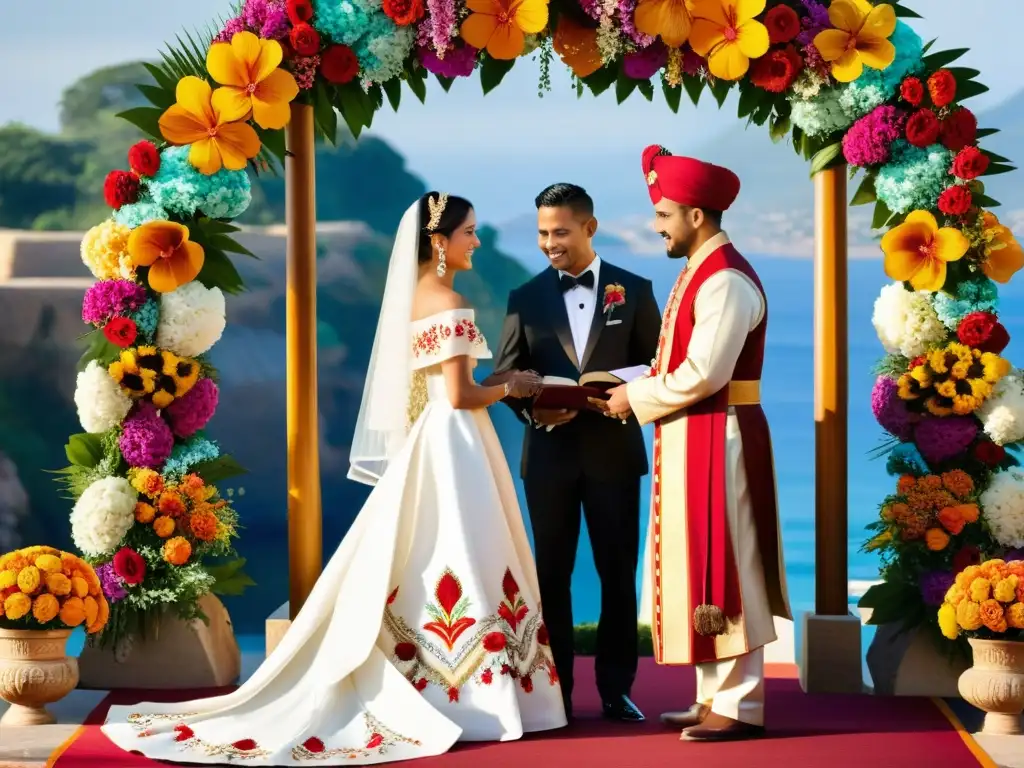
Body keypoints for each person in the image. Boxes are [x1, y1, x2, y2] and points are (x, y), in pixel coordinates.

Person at [101, 193, 567, 765]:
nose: (475, 241)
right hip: (456, 440)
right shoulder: (450, 298)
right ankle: (477, 696)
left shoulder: (417, 299)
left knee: (431, 552)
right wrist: (515, 387)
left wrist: (499, 377)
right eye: (468, 232)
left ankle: (440, 677)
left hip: (432, 436)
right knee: (466, 548)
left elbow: (441, 382)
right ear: (440, 242)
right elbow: (462, 394)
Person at [600, 147, 792, 742]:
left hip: (722, 436)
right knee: (704, 565)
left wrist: (636, 398)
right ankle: (714, 697)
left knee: (728, 565)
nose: (657, 226)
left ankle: (740, 705)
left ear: (697, 216)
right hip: (697, 434)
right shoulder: (704, 271)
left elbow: (706, 372)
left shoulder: (726, 279)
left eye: (663, 214)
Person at [491, 183, 661, 722]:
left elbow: (659, 366)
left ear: (590, 228)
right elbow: (503, 375)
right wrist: (532, 412)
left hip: (614, 453)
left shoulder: (635, 290)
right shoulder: (523, 297)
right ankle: (555, 692)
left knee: (617, 573)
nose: (549, 243)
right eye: (542, 233)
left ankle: (616, 690)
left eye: (559, 232)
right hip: (549, 458)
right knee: (551, 575)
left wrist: (625, 392)